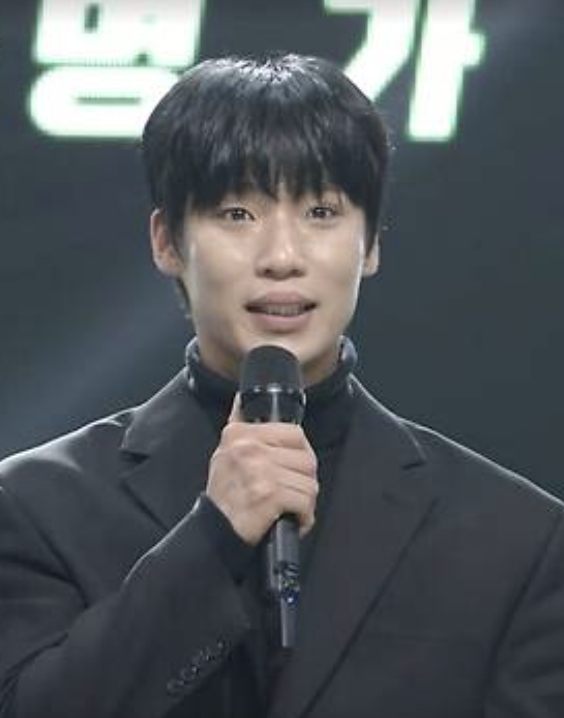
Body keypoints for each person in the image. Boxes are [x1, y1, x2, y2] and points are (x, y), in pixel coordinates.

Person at [0, 52, 563, 718]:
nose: (282, 257)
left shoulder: (516, 538)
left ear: (370, 244)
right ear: (167, 242)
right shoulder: (37, 505)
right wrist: (212, 541)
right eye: (237, 213)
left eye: (321, 212)